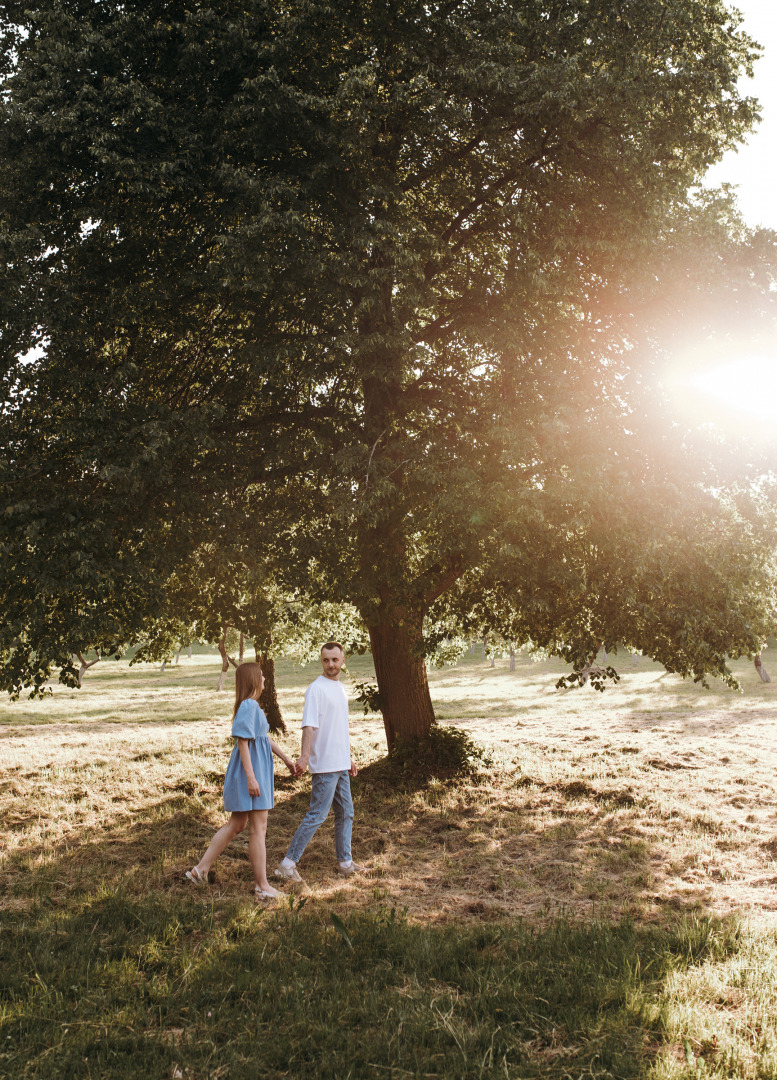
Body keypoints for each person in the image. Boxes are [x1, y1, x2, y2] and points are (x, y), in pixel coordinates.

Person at [186, 661, 299, 899]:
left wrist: (287, 760)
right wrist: (251, 778)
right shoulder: (249, 705)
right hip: (251, 773)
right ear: (253, 680)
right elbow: (242, 742)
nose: (265, 680)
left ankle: (200, 870)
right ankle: (262, 886)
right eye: (262, 676)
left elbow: (263, 738)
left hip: (254, 772)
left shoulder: (252, 707)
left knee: (237, 825)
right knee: (258, 829)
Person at [275, 641, 363, 883]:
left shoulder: (340, 688)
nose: (331, 664)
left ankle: (345, 863)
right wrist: (304, 757)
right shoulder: (316, 689)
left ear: (343, 661)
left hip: (340, 763)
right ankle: (287, 864)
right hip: (324, 765)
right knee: (317, 815)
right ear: (321, 661)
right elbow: (309, 725)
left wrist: (349, 758)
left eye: (335, 660)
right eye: (326, 660)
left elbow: (339, 729)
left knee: (346, 812)